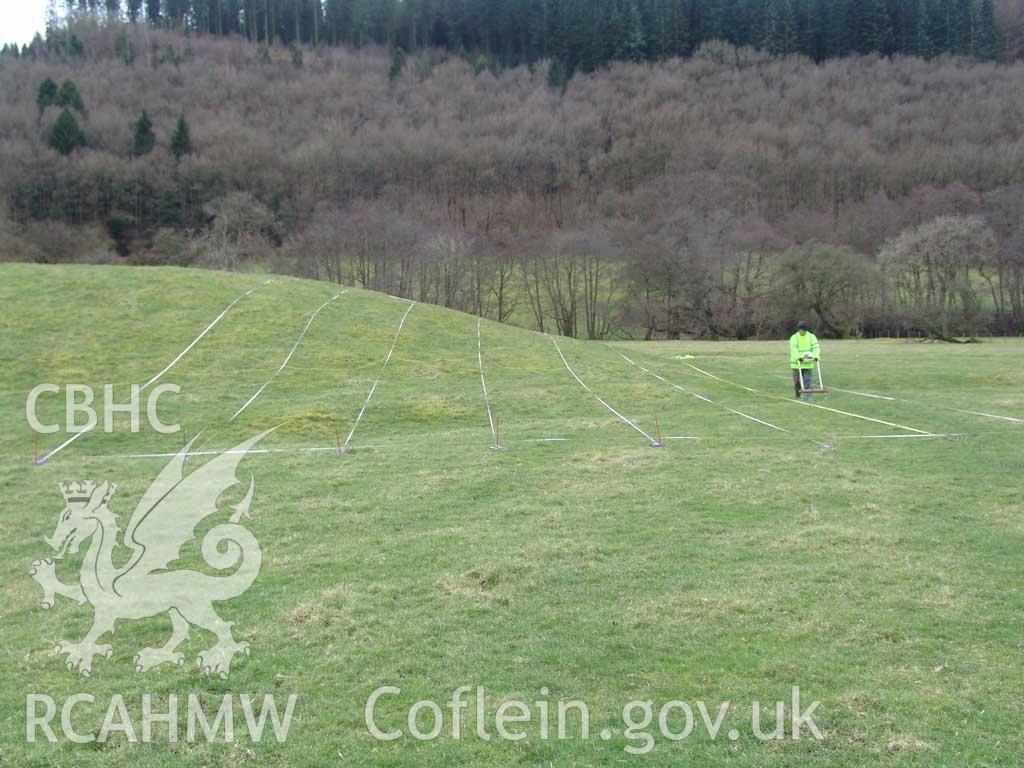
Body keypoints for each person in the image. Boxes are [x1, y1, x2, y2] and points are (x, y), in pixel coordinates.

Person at [789, 321, 820, 400]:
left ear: (806, 330)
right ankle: (798, 396)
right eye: (800, 330)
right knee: (797, 381)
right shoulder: (794, 337)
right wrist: (798, 357)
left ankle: (809, 396)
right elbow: (793, 349)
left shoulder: (811, 337)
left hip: (808, 363)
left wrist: (816, 356)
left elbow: (816, 347)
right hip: (796, 364)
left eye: (802, 330)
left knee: (807, 380)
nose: (801, 331)